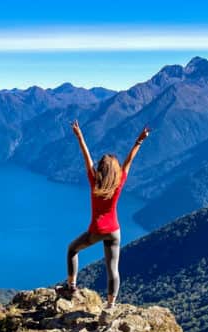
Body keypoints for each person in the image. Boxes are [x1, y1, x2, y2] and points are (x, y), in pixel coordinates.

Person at [63, 119, 151, 310]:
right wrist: (139, 141)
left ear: (101, 169)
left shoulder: (94, 181)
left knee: (72, 250)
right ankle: (110, 306)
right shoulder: (119, 182)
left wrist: (79, 136)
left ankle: (71, 287)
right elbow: (129, 161)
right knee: (113, 270)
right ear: (115, 170)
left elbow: (86, 157)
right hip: (114, 232)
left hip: (96, 231)